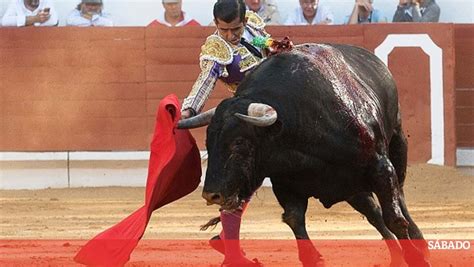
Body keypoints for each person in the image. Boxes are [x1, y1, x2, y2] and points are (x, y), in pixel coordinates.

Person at [180, 0, 273, 265]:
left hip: (269, 108)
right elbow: (205, 82)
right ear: (215, 25)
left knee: (250, 182)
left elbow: (266, 44)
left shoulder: (254, 27)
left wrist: (275, 47)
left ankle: (226, 240)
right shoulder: (215, 49)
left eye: (235, 29)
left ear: (245, 21)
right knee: (240, 179)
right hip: (244, 118)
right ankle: (230, 250)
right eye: (224, 30)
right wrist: (188, 111)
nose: (230, 36)